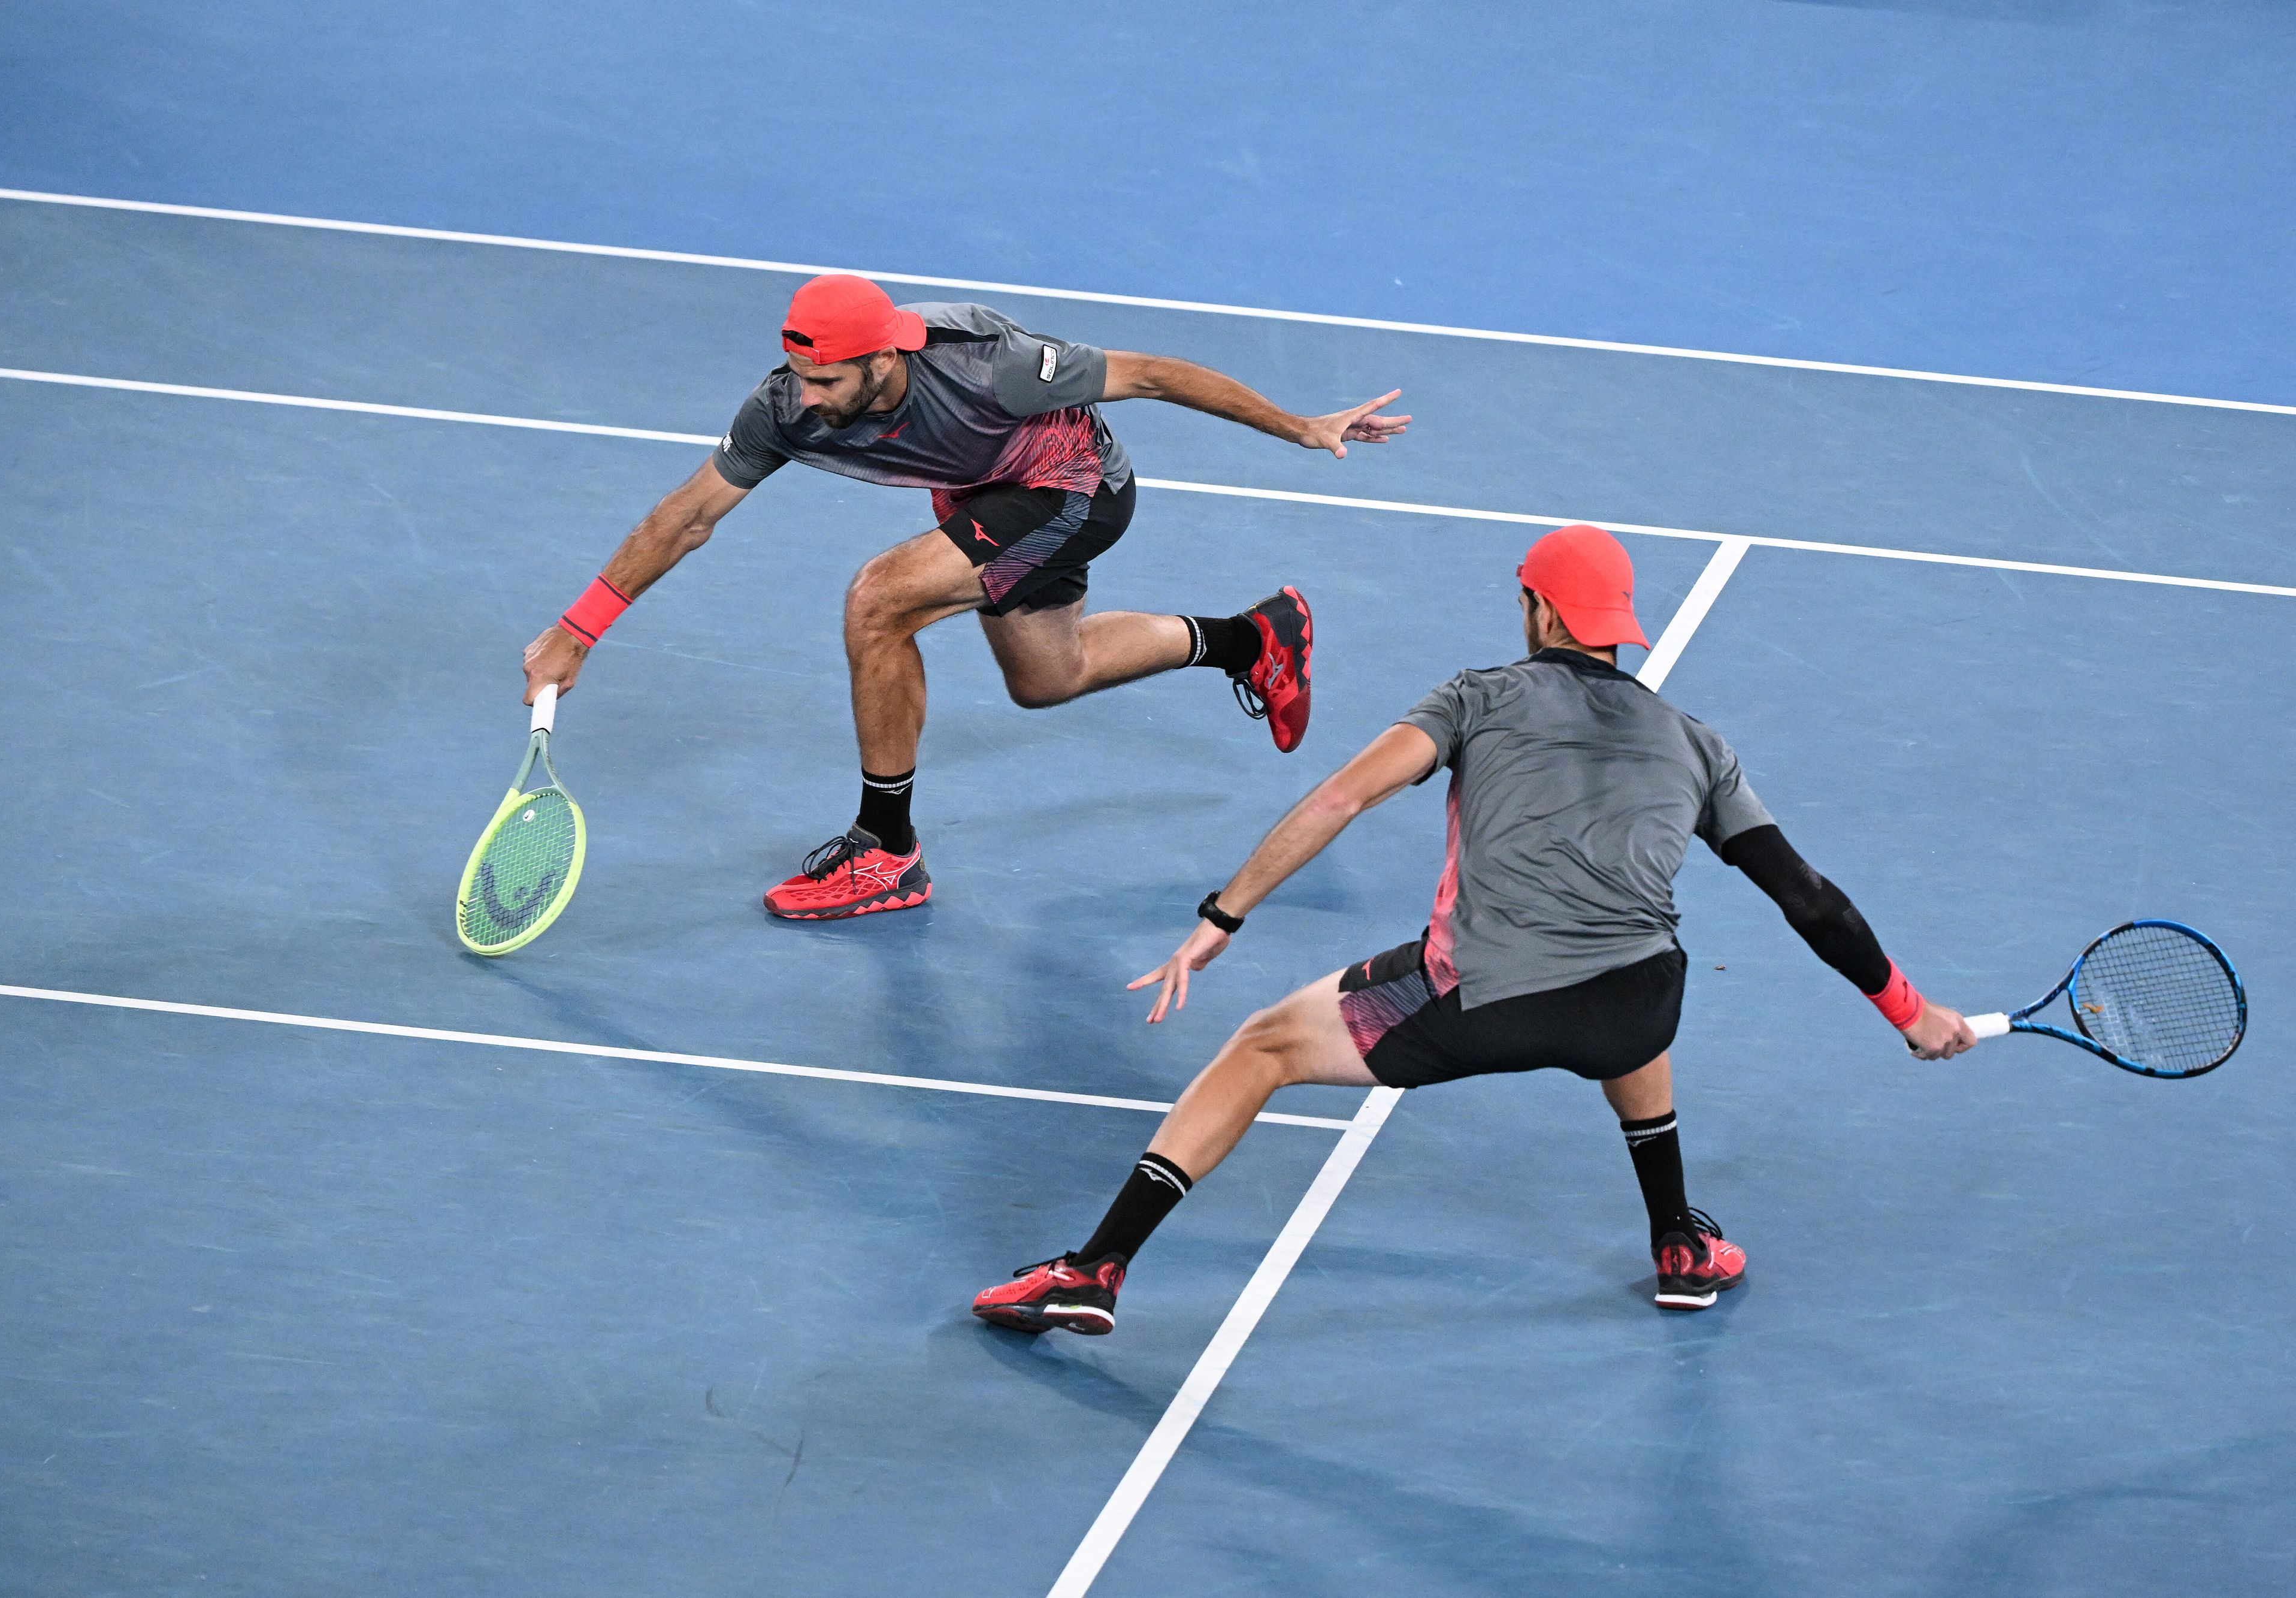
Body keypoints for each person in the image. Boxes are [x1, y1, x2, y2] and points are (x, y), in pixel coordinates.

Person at [972, 524, 1977, 1333]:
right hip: (1635, 1010)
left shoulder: (1478, 697)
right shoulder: (1697, 745)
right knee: (1630, 956)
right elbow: (1809, 899)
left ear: (1538, 608)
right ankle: (1678, 1242)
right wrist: (1910, 1011)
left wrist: (1223, 914)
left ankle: (1095, 1268)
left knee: (1260, 1047)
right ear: (1620, 627)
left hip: (1479, 1003)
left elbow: (1339, 799)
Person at [520, 273, 1409, 919]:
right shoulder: (783, 407)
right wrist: (578, 630)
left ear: (881, 359)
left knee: (879, 600)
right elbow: (687, 516)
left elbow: (1155, 374)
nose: (808, 397)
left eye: (828, 380)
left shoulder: (995, 366)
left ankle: (886, 851)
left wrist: (1301, 427)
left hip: (1074, 486)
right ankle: (1254, 640)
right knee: (1049, 678)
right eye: (799, 376)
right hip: (981, 496)